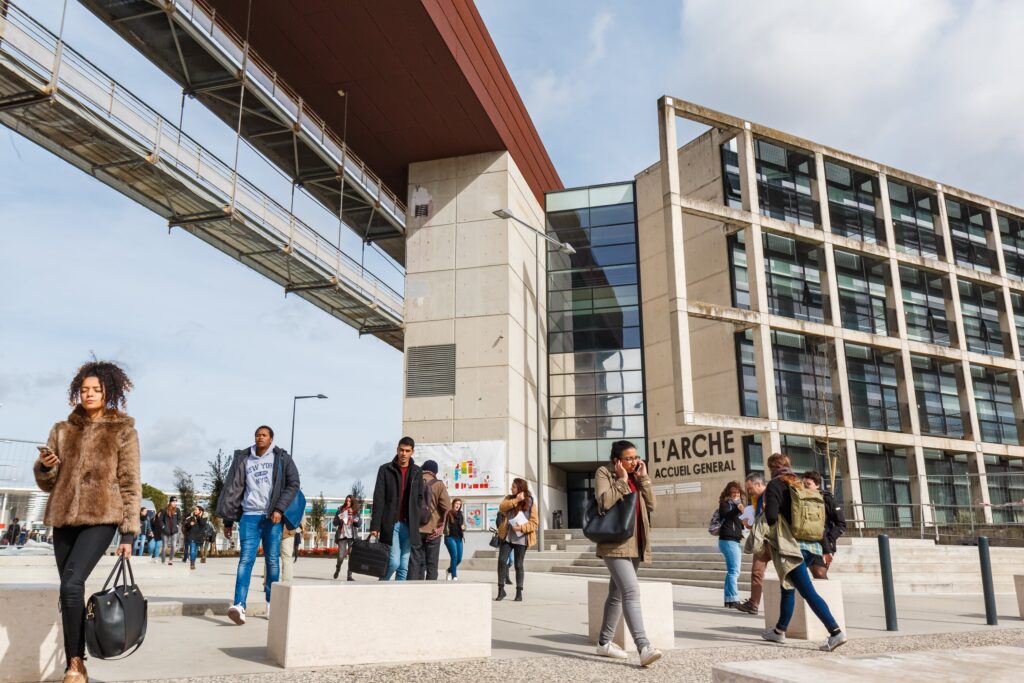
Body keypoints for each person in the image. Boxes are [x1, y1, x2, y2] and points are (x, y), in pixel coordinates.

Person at [33, 360, 141, 683]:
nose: (89, 394)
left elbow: (130, 483)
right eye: (84, 390)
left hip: (102, 517)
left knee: (71, 581)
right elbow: (47, 482)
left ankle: (75, 665)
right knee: (69, 590)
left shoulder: (123, 431)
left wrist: (128, 534)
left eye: (96, 389)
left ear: (109, 392)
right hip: (63, 519)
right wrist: (46, 466)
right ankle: (76, 661)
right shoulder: (61, 430)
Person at [759, 453, 847, 652]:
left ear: (772, 468)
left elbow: (772, 517)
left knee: (807, 591)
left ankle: (835, 632)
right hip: (812, 545)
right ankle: (779, 631)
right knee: (787, 586)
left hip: (792, 547)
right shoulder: (799, 483)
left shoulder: (775, 485)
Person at [216, 425, 301, 625]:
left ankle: (272, 603)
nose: (259, 438)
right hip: (249, 517)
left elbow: (294, 483)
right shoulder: (244, 458)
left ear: (271, 439)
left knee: (272, 560)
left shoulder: (281, 458)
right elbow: (232, 490)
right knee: (245, 560)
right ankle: (239, 605)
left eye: (263, 435)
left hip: (272, 518)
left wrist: (279, 509)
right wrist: (228, 520)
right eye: (257, 435)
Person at [592, 440, 662, 667]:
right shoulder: (605, 473)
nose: (634, 462)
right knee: (631, 591)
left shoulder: (637, 478)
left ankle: (604, 643)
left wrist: (643, 478)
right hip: (615, 544)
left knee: (617, 594)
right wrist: (622, 480)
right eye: (628, 458)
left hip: (636, 544)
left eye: (635, 457)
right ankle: (644, 646)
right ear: (617, 460)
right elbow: (604, 502)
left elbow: (652, 506)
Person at [369, 437, 424, 581]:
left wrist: (417, 518)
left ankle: (398, 597)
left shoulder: (417, 471)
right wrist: (375, 525)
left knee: (404, 566)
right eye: (401, 450)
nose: (404, 454)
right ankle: (381, 585)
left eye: (407, 451)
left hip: (409, 525)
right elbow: (378, 498)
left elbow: (419, 497)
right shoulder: (385, 469)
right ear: (397, 449)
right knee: (394, 562)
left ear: (412, 452)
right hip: (391, 523)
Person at [494, 478, 539, 602]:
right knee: (502, 561)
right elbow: (502, 508)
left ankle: (519, 592)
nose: (511, 488)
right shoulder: (509, 499)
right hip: (507, 536)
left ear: (520, 488)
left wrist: (522, 527)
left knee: (519, 565)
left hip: (522, 538)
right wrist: (516, 500)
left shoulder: (530, 501)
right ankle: (501, 590)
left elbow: (535, 523)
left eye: (513, 486)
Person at [408, 459, 451, 581]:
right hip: (433, 531)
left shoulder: (413, 481)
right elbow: (447, 508)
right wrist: (441, 527)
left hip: (415, 530)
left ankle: (413, 591)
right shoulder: (438, 484)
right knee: (431, 565)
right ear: (435, 472)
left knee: (415, 563)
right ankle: (430, 594)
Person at [802, 471, 846, 579]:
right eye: (803, 484)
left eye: (808, 484)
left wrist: (829, 539)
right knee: (816, 574)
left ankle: (829, 596)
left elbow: (841, 524)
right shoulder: (801, 498)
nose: (804, 487)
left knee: (820, 573)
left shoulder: (827, 499)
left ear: (817, 485)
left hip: (824, 543)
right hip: (806, 541)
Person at [736, 472, 768, 614]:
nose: (748, 492)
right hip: (762, 541)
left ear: (758, 484)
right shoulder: (756, 500)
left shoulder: (770, 495)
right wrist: (749, 524)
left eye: (750, 489)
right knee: (756, 571)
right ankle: (753, 604)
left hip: (775, 540)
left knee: (787, 574)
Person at [717, 481, 745, 609]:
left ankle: (729, 600)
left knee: (731, 571)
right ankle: (733, 599)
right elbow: (726, 515)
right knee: (734, 571)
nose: (735, 494)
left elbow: (740, 523)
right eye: (733, 492)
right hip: (728, 540)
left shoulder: (740, 505)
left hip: (734, 540)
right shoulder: (725, 504)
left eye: (737, 492)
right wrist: (736, 509)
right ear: (728, 493)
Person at [333, 496, 360, 581]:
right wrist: (340, 517)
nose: (348, 502)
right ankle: (338, 569)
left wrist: (353, 517)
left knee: (351, 556)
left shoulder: (355, 512)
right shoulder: (340, 510)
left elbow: (359, 524)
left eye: (349, 501)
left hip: (352, 537)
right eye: (347, 501)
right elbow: (334, 523)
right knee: (341, 556)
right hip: (342, 536)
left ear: (352, 502)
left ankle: (349, 575)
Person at [183, 505, 214, 570]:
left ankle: (193, 561)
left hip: (199, 536)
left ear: (200, 511)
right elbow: (185, 525)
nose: (195, 511)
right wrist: (189, 524)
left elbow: (203, 524)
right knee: (192, 550)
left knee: (195, 551)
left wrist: (198, 517)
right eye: (194, 509)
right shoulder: (191, 517)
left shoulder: (204, 518)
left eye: (196, 510)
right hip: (192, 535)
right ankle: (192, 564)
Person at [444, 498, 466, 581]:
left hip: (459, 538)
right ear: (453, 504)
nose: (458, 505)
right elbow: (443, 522)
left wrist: (464, 527)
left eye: (459, 504)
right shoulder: (448, 513)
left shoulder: (461, 514)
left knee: (459, 559)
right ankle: (454, 576)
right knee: (454, 556)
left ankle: (449, 570)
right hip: (450, 537)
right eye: (456, 503)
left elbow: (464, 525)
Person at [157, 497, 181, 565]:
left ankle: (171, 560)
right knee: (164, 546)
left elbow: (179, 519)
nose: (174, 503)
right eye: (173, 501)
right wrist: (163, 526)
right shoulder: (164, 510)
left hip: (174, 531)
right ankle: (163, 560)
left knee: (173, 545)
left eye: (175, 502)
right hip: (165, 531)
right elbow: (160, 520)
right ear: (170, 502)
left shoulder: (178, 510)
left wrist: (177, 525)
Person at [280, 517, 303, 582]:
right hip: (276, 528)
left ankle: (287, 585)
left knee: (286, 558)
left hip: (288, 531)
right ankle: (268, 587)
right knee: (271, 558)